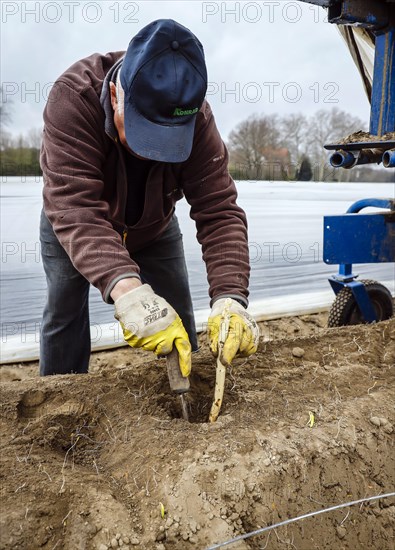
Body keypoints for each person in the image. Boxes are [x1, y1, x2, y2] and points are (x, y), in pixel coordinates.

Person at [39, 19, 259, 377]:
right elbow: (75, 206)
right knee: (64, 313)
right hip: (73, 223)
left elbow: (219, 211)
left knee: (180, 320)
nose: (154, 152)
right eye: (144, 132)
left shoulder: (198, 119)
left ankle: (186, 398)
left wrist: (230, 297)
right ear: (115, 95)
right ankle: (59, 399)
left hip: (154, 227)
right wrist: (127, 290)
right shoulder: (73, 98)